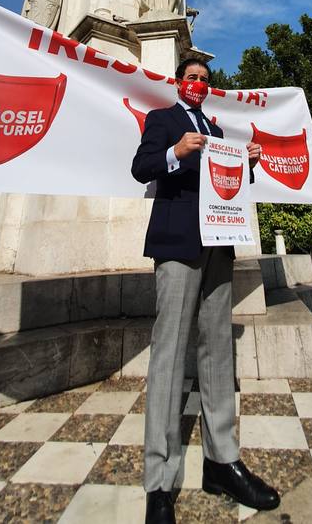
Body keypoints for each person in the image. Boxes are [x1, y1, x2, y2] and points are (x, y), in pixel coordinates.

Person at [132, 58, 280, 524]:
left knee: (218, 351)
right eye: (191, 78)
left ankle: (222, 462)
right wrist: (176, 150)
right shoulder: (163, 120)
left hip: (218, 246)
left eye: (204, 79)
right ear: (180, 83)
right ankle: (160, 480)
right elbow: (142, 168)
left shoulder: (216, 130)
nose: (198, 84)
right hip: (177, 245)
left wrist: (247, 163)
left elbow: (228, 185)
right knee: (170, 352)